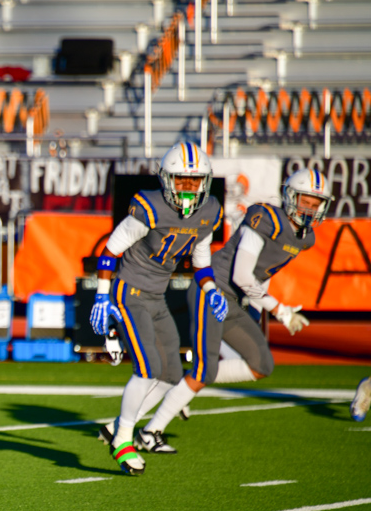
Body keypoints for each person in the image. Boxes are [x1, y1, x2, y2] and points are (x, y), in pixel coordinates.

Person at [137, 168, 333, 444]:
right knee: (205, 369)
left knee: (261, 364)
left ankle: (186, 383)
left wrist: (257, 308)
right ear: (291, 197)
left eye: (315, 204)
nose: (309, 210)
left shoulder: (305, 238)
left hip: (233, 300)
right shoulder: (266, 219)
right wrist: (279, 310)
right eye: (305, 202)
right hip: (213, 291)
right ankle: (148, 432)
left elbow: (263, 273)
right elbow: (242, 275)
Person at [90, 142, 226, 475]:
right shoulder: (150, 208)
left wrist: (211, 290)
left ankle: (117, 426)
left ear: (205, 182)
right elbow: (109, 252)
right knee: (148, 368)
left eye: (194, 181)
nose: (188, 188)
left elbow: (201, 263)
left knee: (171, 376)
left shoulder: (209, 212)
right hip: (130, 292)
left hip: (156, 296)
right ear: (167, 179)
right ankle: (123, 439)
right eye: (181, 180)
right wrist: (102, 295)